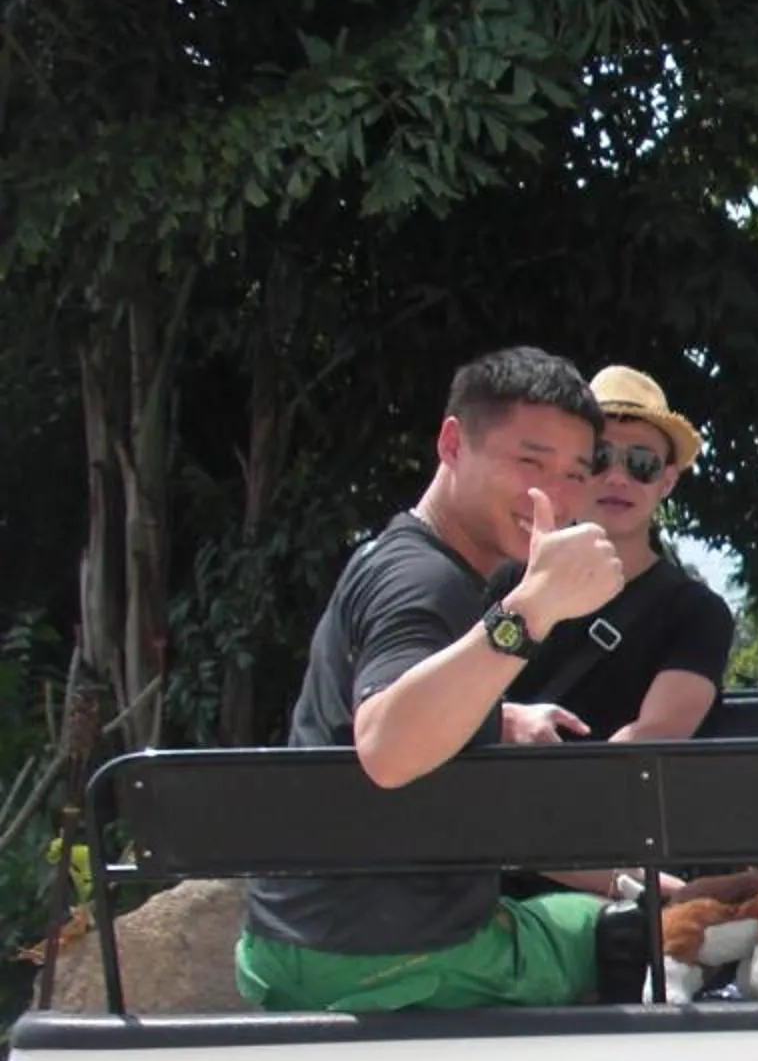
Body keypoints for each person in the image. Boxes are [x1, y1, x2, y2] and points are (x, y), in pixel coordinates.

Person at [234, 348, 626, 1012]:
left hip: (288, 943)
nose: (551, 497)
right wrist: (531, 611)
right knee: (616, 929)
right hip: (394, 956)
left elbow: (387, 696)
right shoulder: (427, 583)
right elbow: (387, 746)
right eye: (529, 462)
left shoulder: (396, 555)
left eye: (574, 474)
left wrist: (499, 716)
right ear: (452, 443)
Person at [501, 366, 735, 743]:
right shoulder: (511, 584)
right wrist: (505, 720)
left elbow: (653, 737)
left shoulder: (696, 614)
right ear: (573, 470)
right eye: (598, 458)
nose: (617, 478)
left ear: (668, 481)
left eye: (641, 464)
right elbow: (460, 692)